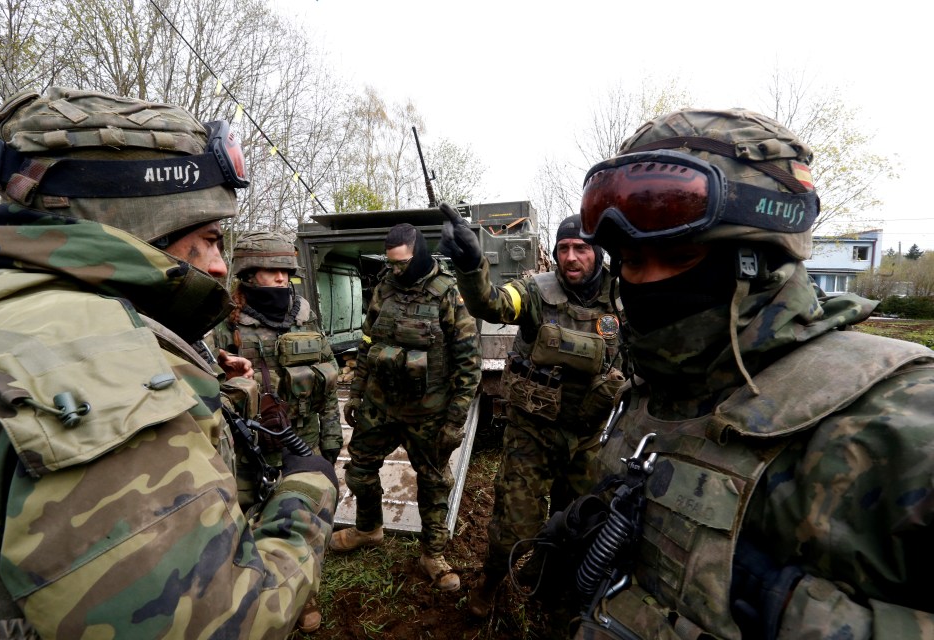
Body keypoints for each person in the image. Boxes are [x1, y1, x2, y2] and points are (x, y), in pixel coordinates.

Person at [0, 86, 338, 639]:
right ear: (144, 224)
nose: (220, 266)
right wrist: (305, 498)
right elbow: (220, 624)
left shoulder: (3, 307)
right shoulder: (96, 369)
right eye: (211, 239)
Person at [570, 108, 934, 639]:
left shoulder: (903, 425)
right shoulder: (652, 392)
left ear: (758, 259)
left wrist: (786, 610)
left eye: (677, 256)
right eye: (627, 261)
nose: (644, 284)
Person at [437, 206, 623, 618]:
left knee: (579, 522)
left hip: (590, 437)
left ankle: (550, 579)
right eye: (563, 249)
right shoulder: (537, 292)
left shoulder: (622, 297)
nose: (571, 257)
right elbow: (493, 304)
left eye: (581, 248)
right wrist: (469, 262)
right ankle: (490, 583)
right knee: (513, 523)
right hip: (533, 434)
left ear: (599, 252)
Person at [331, 223, 482, 592]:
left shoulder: (446, 292)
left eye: (403, 264)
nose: (396, 270)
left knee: (433, 482)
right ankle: (369, 529)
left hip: (428, 412)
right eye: (391, 263)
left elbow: (468, 361)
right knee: (359, 469)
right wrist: (356, 392)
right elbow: (368, 342)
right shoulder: (384, 287)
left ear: (421, 256)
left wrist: (455, 419)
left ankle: (433, 553)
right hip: (381, 407)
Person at [209, 230, 342, 633]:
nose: (281, 279)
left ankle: (305, 595)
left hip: (301, 437)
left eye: (286, 271)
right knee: (249, 521)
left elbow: (329, 379)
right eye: (271, 270)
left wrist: (331, 436)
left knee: (304, 514)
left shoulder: (304, 317)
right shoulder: (226, 324)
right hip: (249, 445)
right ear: (250, 272)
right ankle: (261, 595)